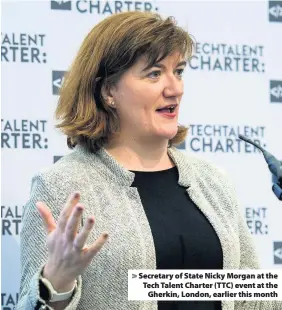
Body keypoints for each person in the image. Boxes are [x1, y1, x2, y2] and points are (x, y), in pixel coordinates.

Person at [16, 11, 280, 310]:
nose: (175, 88)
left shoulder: (212, 181)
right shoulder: (61, 186)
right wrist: (56, 284)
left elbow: (253, 300)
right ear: (108, 92)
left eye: (178, 71)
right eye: (154, 74)